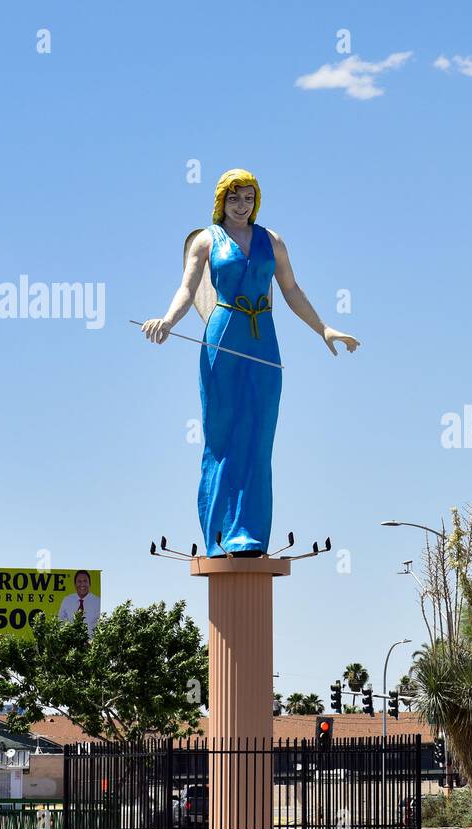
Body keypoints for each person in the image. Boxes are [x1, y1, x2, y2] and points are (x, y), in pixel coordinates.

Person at [141, 169, 359, 556]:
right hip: (223, 337)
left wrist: (324, 329)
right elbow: (187, 287)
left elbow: (290, 289)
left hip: (264, 342)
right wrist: (168, 320)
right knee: (222, 435)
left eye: (248, 198)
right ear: (221, 201)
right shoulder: (207, 241)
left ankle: (250, 535)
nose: (242, 206)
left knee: (259, 436)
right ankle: (219, 535)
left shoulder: (271, 241)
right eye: (234, 198)